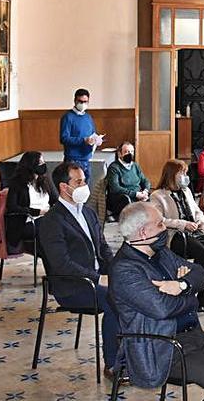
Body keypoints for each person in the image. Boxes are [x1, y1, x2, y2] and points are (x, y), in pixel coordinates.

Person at [110, 202, 204, 399]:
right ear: (142, 232)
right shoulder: (125, 270)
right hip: (163, 348)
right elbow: (162, 309)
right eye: (160, 224)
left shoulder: (160, 252)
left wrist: (181, 285)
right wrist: (191, 296)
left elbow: (200, 272)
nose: (165, 228)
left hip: (194, 336)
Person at [37, 161, 121, 382]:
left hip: (97, 278)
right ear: (64, 187)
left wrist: (115, 271)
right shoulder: (52, 221)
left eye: (85, 180)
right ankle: (113, 364)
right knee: (115, 300)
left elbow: (103, 248)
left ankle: (135, 354)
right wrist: (98, 278)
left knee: (132, 292)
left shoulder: (89, 213)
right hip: (72, 286)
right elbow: (62, 264)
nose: (85, 184)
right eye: (80, 181)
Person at [151, 159, 204, 310]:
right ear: (172, 175)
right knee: (202, 252)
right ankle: (201, 292)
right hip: (176, 235)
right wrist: (182, 224)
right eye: (182, 173)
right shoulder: (158, 196)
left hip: (194, 231)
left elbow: (197, 210)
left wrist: (200, 220)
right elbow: (159, 220)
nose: (185, 176)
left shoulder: (186, 191)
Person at [5, 151, 58, 255]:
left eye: (43, 163)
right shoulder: (17, 183)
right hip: (27, 221)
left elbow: (56, 199)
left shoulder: (45, 180)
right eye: (40, 163)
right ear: (31, 165)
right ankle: (49, 257)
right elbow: (12, 207)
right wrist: (38, 212)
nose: (43, 166)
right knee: (50, 228)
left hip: (47, 217)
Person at [59, 88, 103, 182]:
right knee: (74, 188)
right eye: (80, 101)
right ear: (75, 100)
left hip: (86, 158)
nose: (83, 104)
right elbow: (64, 138)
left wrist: (97, 140)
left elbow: (92, 134)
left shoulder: (88, 117)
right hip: (73, 159)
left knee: (84, 189)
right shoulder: (68, 117)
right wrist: (83, 140)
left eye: (85, 101)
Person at [106, 141, 150, 217]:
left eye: (132, 152)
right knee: (125, 200)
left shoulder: (135, 166)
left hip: (138, 195)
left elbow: (145, 180)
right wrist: (136, 194)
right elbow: (115, 188)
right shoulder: (114, 167)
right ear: (120, 154)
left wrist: (145, 191)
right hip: (123, 197)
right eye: (126, 152)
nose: (130, 154)